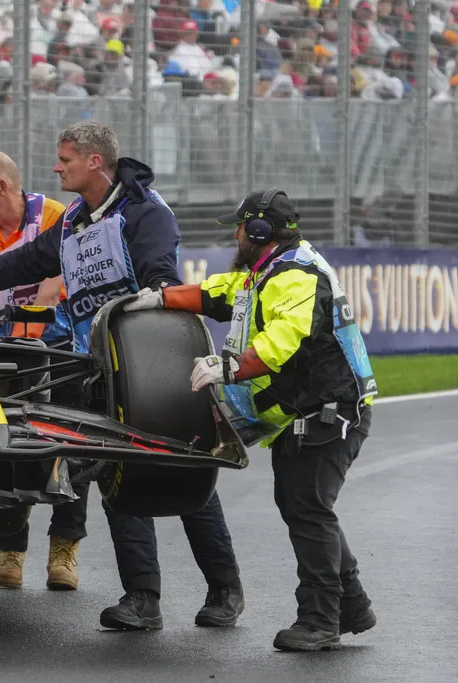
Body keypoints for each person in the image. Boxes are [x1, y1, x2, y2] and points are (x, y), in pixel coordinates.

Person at [0, 121, 245, 630]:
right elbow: (22, 262)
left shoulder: (145, 211)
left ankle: (224, 589)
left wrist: (153, 293)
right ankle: (142, 598)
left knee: (183, 471)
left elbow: (161, 276)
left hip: (155, 366)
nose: (55, 167)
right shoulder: (73, 220)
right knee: (118, 475)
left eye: (65, 158)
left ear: (94, 162)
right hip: (98, 367)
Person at [123, 187, 377, 652]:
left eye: (239, 227)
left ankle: (320, 619)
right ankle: (352, 603)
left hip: (332, 410)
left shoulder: (297, 276)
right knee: (301, 504)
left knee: (306, 508)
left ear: (259, 231)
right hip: (311, 409)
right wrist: (158, 299)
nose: (235, 235)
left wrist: (229, 367)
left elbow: (284, 339)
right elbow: (215, 293)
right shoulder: (267, 270)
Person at [0, 150, 83, 592]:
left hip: (59, 349)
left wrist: (29, 331)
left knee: (68, 447)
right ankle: (11, 550)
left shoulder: (55, 215)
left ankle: (64, 549)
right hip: (4, 350)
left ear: (3, 186)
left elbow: (52, 282)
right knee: (3, 446)